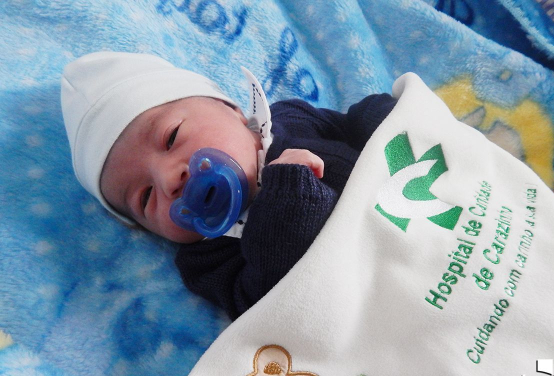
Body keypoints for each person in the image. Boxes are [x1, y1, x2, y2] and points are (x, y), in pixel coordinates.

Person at [61, 51, 397, 320]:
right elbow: (270, 305)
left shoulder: (292, 120)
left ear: (233, 111)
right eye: (145, 197)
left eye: (172, 137)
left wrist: (397, 115)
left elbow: (358, 125)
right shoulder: (208, 260)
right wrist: (286, 198)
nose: (167, 179)